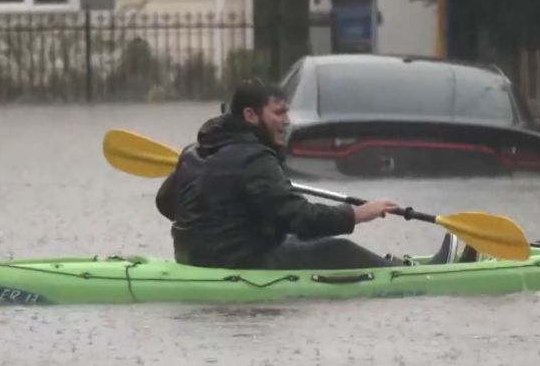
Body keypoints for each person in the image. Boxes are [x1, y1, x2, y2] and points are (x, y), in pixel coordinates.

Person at [156, 81, 457, 270]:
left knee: (291, 241)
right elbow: (300, 218)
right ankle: (414, 276)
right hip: (234, 262)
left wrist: (229, 216)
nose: (287, 121)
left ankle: (395, 265)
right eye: (278, 113)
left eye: (287, 112)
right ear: (250, 116)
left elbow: (166, 204)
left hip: (192, 257)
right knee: (337, 250)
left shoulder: (192, 152)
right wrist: (357, 214)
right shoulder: (253, 159)